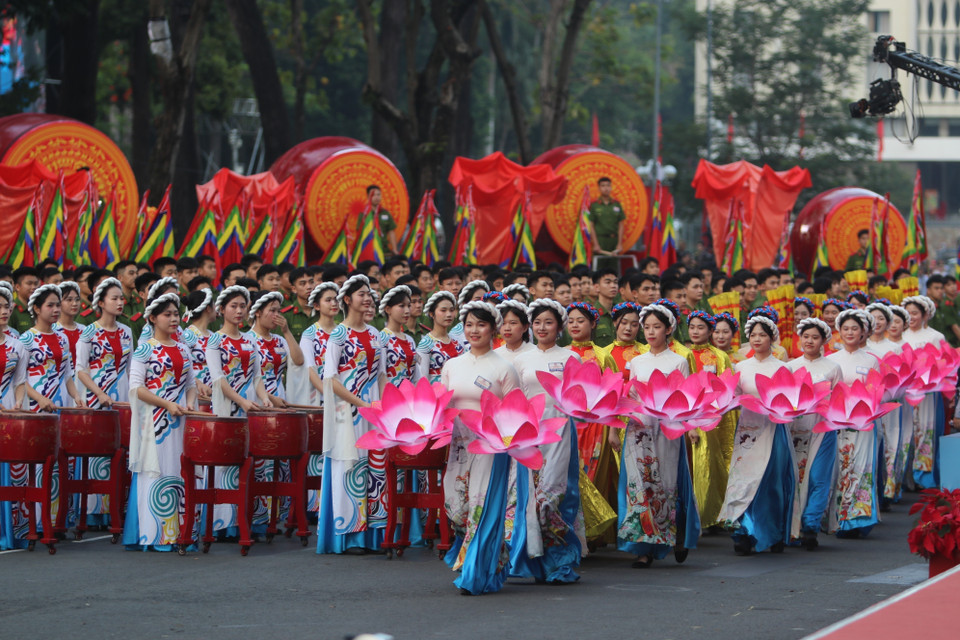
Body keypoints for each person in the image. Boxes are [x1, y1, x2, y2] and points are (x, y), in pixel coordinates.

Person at [442, 301, 520, 595]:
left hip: (491, 446)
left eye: (481, 325)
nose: (474, 331)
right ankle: (492, 559)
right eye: (469, 325)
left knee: (480, 507)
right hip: (458, 444)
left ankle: (475, 574)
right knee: (456, 506)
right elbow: (443, 405)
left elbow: (516, 412)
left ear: (494, 329)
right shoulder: (452, 365)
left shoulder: (504, 367)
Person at [617, 301, 699, 567]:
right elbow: (628, 395)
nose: (650, 332)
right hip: (639, 427)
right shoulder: (636, 361)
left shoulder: (679, 361)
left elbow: (686, 398)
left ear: (669, 329)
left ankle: (672, 535)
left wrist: (691, 427)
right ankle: (643, 548)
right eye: (647, 327)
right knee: (640, 483)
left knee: (664, 481)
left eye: (656, 327)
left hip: (666, 428)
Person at [511, 299, 583, 583]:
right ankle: (532, 559)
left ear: (559, 327)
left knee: (553, 494)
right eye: (538, 322)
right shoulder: (521, 359)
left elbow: (579, 398)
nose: (542, 327)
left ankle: (559, 563)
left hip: (560, 430)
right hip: (528, 431)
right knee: (528, 497)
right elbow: (514, 399)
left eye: (549, 322)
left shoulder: (570, 358)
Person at [317, 274, 387, 554]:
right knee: (349, 463)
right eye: (361, 293)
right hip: (347, 410)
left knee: (375, 467)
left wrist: (383, 404)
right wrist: (361, 403)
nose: (367, 297)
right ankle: (350, 534)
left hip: (373, 408)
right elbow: (331, 379)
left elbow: (381, 375)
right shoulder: (338, 335)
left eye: (369, 293)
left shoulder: (374, 334)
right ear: (347, 300)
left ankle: (375, 534)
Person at [123, 293, 197, 550]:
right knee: (155, 471)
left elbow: (190, 384)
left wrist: (188, 402)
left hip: (179, 422)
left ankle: (180, 533)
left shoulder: (184, 348)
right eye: (167, 314)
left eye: (176, 314)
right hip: (154, 423)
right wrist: (166, 404)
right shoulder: (145, 348)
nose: (174, 318)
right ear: (152, 318)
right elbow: (136, 388)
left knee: (179, 469)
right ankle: (155, 536)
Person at [718, 306, 795, 555]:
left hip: (773, 431)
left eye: (762, 334)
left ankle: (772, 534)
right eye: (753, 335)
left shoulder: (784, 368)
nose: (757, 339)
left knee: (770, 483)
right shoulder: (741, 368)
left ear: (772, 338)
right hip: (747, 431)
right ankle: (743, 533)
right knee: (742, 480)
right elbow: (732, 397)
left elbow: (793, 401)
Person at [206, 286, 274, 537]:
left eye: (242, 306)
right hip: (227, 407)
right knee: (227, 461)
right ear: (221, 309)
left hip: (251, 407)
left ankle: (253, 520)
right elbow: (218, 380)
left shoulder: (249, 340)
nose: (238, 311)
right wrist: (241, 402)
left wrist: (264, 397)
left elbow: (257, 376)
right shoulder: (215, 340)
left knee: (253, 461)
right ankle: (225, 524)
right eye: (233, 306)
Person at [76, 277, 134, 527]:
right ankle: (92, 511)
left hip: (121, 395)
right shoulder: (88, 332)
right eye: (114, 298)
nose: (120, 302)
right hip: (95, 395)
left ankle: (116, 507)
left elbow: (132, 369)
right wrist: (98, 393)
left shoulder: (127, 331)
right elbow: (80, 369)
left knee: (120, 452)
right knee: (96, 452)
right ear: (100, 302)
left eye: (121, 298)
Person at [787, 318, 842, 550]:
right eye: (806, 336)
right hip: (794, 430)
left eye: (815, 337)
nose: (809, 341)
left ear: (823, 341)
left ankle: (810, 525)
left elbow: (839, 400)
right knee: (795, 478)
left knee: (819, 478)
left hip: (823, 430)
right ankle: (792, 527)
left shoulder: (832, 368)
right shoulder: (790, 367)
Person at [826, 309, 881, 537]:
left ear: (863, 332)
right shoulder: (830, 360)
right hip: (836, 423)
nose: (850, 332)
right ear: (839, 330)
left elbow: (878, 392)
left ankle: (857, 519)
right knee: (839, 468)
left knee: (860, 466)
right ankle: (837, 519)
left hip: (862, 424)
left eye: (855, 329)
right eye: (846, 328)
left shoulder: (872, 361)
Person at [686, 310, 737, 529]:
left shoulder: (720, 356)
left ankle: (712, 514)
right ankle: (696, 516)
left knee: (711, 466)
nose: (696, 332)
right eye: (692, 327)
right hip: (689, 416)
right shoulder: (683, 355)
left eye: (701, 328)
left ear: (710, 331)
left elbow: (727, 389)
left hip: (714, 417)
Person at [300, 281, 340, 515]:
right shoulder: (310, 334)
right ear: (316, 305)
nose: (333, 303)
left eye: (336, 299)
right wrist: (329, 395)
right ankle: (316, 506)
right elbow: (311, 370)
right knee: (320, 450)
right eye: (328, 300)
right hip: (320, 398)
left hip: (343, 397)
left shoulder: (342, 330)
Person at [901, 295, 946, 489]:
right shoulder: (899, 336)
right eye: (908, 313)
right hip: (905, 390)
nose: (911, 317)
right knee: (906, 430)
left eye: (915, 313)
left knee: (926, 429)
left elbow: (944, 364)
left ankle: (924, 475)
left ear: (925, 314)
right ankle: (905, 475)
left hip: (927, 391)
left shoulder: (936, 337)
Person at [0, 282, 29, 550]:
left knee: (10, 469)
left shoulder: (17, 345)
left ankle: (10, 530)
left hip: (8, 408)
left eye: (6, 306)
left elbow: (20, 381)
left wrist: (19, 402)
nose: (3, 311)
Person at [416, 291, 463, 383]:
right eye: (443, 310)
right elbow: (422, 380)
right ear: (431, 313)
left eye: (452, 310)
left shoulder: (457, 340)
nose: (449, 314)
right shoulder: (426, 344)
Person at [379, 285, 418, 385]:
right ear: (388, 309)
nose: (407, 311)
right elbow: (380, 374)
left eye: (409, 306)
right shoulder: (382, 338)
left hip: (410, 396)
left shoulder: (409, 339)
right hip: (391, 396)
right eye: (401, 306)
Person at [181, 290, 215, 399]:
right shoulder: (187, 335)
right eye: (214, 306)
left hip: (214, 392)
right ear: (208, 309)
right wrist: (198, 384)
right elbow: (183, 367)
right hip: (196, 393)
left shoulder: (214, 336)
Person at [598, 302, 643, 379]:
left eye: (634, 325)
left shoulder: (645, 351)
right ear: (614, 323)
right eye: (624, 323)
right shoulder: (603, 353)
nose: (628, 328)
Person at [589, 177, 626, 257]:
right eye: (603, 186)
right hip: (600, 240)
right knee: (599, 267)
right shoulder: (594, 205)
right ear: (599, 188)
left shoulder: (617, 204)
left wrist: (619, 243)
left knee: (613, 267)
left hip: (614, 240)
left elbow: (621, 225)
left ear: (611, 187)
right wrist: (595, 244)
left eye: (608, 186)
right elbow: (591, 225)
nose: (606, 188)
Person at [280, 267, 314, 343]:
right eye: (303, 284)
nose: (309, 287)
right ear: (294, 289)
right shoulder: (285, 315)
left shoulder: (323, 312)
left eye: (311, 282)